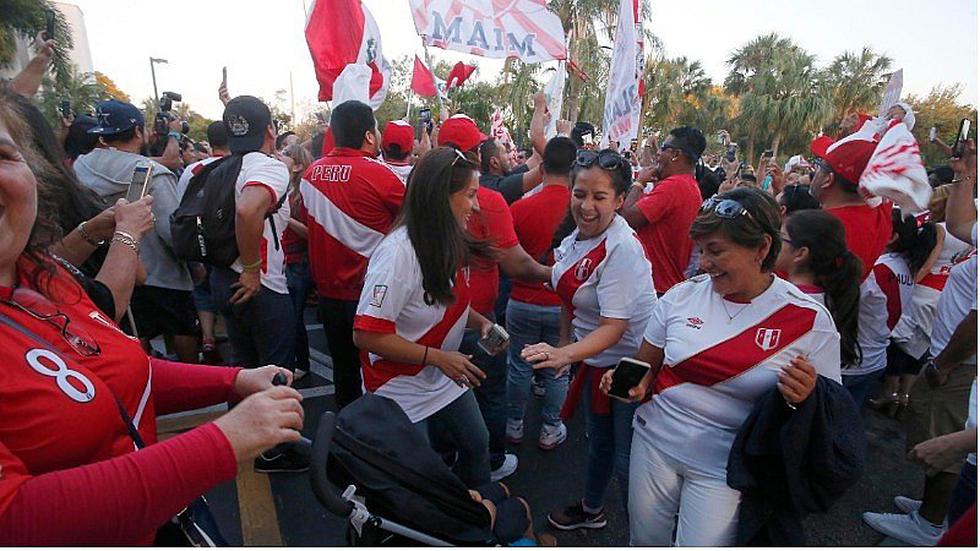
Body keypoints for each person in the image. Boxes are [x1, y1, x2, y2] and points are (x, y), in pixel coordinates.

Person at [0, 106, 304, 544]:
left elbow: (117, 368)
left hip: (164, 516)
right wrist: (222, 441)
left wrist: (232, 380)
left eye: (3, 155)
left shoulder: (42, 273)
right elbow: (15, 520)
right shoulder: (263, 168)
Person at [606, 187, 842, 545]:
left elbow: (828, 415)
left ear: (762, 248)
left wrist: (804, 396)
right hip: (653, 443)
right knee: (644, 541)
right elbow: (645, 365)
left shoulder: (810, 320)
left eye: (715, 251)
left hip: (727, 465)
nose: (702, 263)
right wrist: (630, 384)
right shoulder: (680, 296)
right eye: (701, 250)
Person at [520, 149, 657, 531]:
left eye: (599, 197)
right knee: (599, 443)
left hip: (631, 365)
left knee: (629, 457)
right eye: (580, 194)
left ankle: (644, 535)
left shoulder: (621, 249)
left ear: (619, 199)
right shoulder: (575, 239)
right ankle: (593, 508)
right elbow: (570, 295)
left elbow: (614, 327)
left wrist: (564, 353)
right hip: (595, 359)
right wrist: (566, 346)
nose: (587, 205)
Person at [352, 147, 502, 487]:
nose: (476, 205)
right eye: (470, 195)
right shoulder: (398, 254)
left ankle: (476, 523)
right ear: (441, 197)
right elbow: (366, 334)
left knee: (477, 442)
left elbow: (440, 303)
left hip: (439, 376)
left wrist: (480, 323)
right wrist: (436, 357)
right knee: (417, 476)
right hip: (397, 386)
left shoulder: (450, 238)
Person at [864, 142, 978, 546]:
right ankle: (933, 509)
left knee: (947, 443)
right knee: (935, 433)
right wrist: (966, 172)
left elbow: (977, 322)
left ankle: (930, 523)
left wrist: (944, 363)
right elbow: (964, 226)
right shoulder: (969, 229)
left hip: (960, 362)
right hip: (951, 355)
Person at [438, 114, 553, 481]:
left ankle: (446, 458)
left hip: (444, 316)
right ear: (473, 155)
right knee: (487, 389)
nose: (472, 206)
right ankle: (489, 461)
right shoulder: (488, 199)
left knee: (443, 389)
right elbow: (517, 263)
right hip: (471, 316)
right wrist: (558, 276)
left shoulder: (421, 192)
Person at [204, 96, 302, 473]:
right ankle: (276, 450)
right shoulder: (267, 166)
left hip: (222, 279)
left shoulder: (217, 168)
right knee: (276, 371)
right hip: (261, 286)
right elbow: (248, 209)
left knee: (243, 367)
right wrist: (251, 267)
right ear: (270, 131)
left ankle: (240, 444)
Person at [73, 100, 199, 361]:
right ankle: (195, 392)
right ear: (138, 132)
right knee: (183, 327)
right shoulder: (153, 173)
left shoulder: (80, 167)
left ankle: (144, 383)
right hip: (164, 272)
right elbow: (171, 230)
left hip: (111, 269)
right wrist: (194, 264)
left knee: (134, 331)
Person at [302, 100, 406, 409]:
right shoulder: (380, 174)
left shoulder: (310, 174)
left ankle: (347, 434)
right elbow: (417, 217)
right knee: (381, 372)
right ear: (369, 136)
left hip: (328, 293)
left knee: (343, 373)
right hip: (372, 293)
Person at [505, 136, 577, 451]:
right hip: (564, 305)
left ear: (543, 167)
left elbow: (508, 256)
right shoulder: (583, 210)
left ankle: (514, 425)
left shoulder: (520, 207)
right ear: (574, 168)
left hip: (522, 300)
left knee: (519, 365)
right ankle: (550, 428)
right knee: (559, 369)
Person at [622, 126, 707, 295]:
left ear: (675, 155)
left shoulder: (674, 186)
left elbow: (627, 218)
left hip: (654, 287)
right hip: (666, 286)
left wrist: (639, 183)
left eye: (662, 149)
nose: (658, 155)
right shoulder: (688, 185)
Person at [773, 209, 862, 370]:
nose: (774, 243)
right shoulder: (829, 293)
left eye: (781, 238)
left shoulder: (788, 302)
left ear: (800, 254)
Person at [176, 121, 230, 365]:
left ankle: (207, 337)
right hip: (228, 243)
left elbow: (181, 208)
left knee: (202, 289)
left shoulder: (192, 169)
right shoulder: (237, 165)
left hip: (198, 240)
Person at [809, 136, 892, 281]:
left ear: (828, 180)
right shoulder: (882, 217)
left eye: (819, 166)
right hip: (845, 302)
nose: (814, 173)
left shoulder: (817, 228)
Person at [280, 143, 314, 379]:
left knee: (293, 315)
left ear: (298, 165)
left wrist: (286, 218)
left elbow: (311, 233)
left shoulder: (303, 194)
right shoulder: (285, 189)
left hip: (299, 262)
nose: (280, 157)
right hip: (286, 260)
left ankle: (301, 362)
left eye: (286, 155)